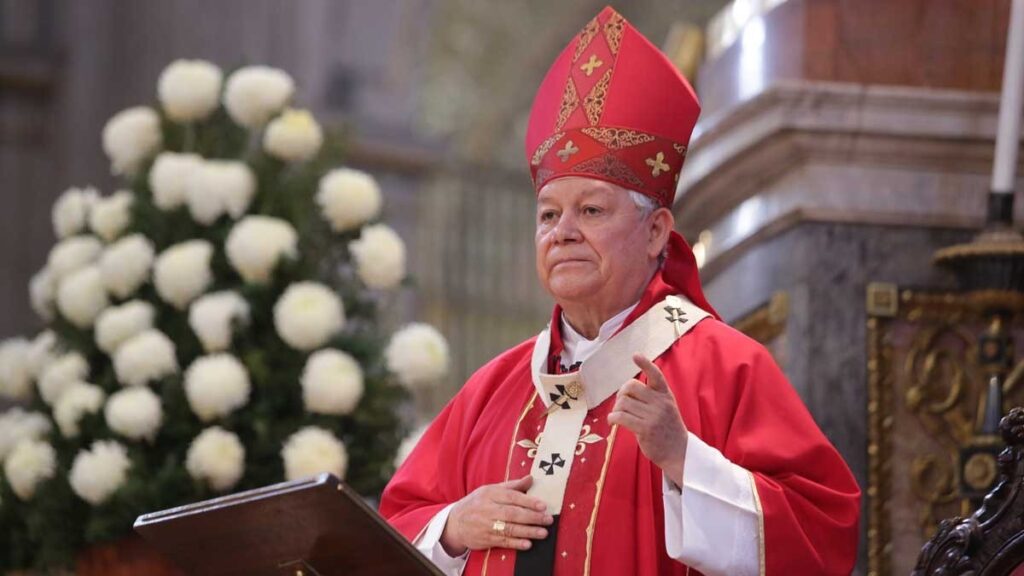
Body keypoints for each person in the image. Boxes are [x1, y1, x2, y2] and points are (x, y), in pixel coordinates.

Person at [380, 6, 860, 575]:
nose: (562, 232)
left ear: (656, 232)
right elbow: (388, 532)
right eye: (548, 215)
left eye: (591, 210)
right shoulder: (491, 391)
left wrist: (684, 459)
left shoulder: (725, 367)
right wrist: (454, 527)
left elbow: (821, 535)